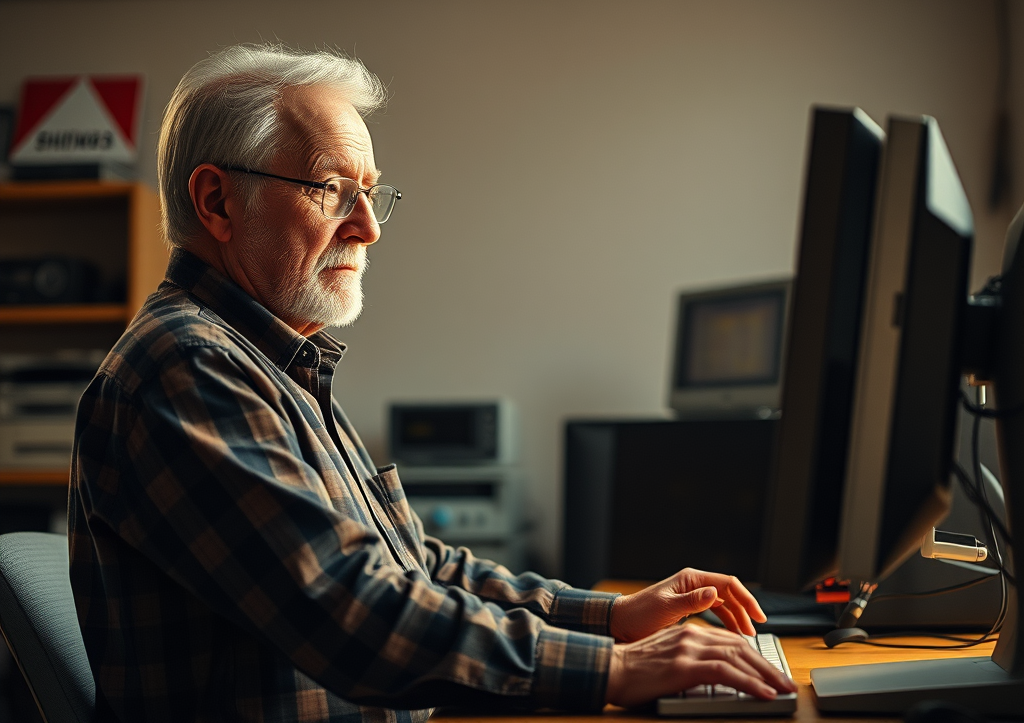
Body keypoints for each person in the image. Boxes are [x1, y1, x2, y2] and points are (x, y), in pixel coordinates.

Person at [68, 43, 797, 723]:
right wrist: (613, 669)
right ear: (218, 202)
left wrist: (610, 617)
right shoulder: (187, 367)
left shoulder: (277, 364)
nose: (368, 228)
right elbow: (350, 608)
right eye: (330, 189)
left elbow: (419, 568)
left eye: (371, 193)